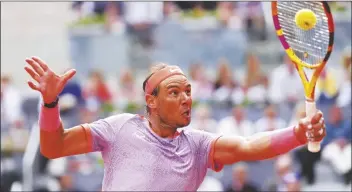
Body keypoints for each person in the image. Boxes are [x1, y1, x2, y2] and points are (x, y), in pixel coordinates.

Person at [24, 57, 326, 191]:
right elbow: (54, 147)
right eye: (174, 92)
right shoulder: (119, 128)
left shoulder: (198, 146)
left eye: (188, 92)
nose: (186, 99)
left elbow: (249, 146)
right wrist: (50, 103)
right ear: (151, 101)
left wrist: (298, 133)